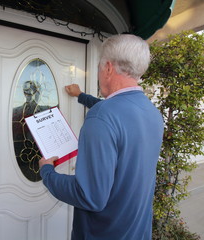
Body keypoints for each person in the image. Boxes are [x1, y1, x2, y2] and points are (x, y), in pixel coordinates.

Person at [39, 34, 164, 240]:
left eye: (98, 68)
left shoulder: (102, 117)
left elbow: (89, 196)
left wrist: (47, 172)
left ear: (107, 68)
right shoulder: (150, 112)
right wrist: (81, 96)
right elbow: (119, 115)